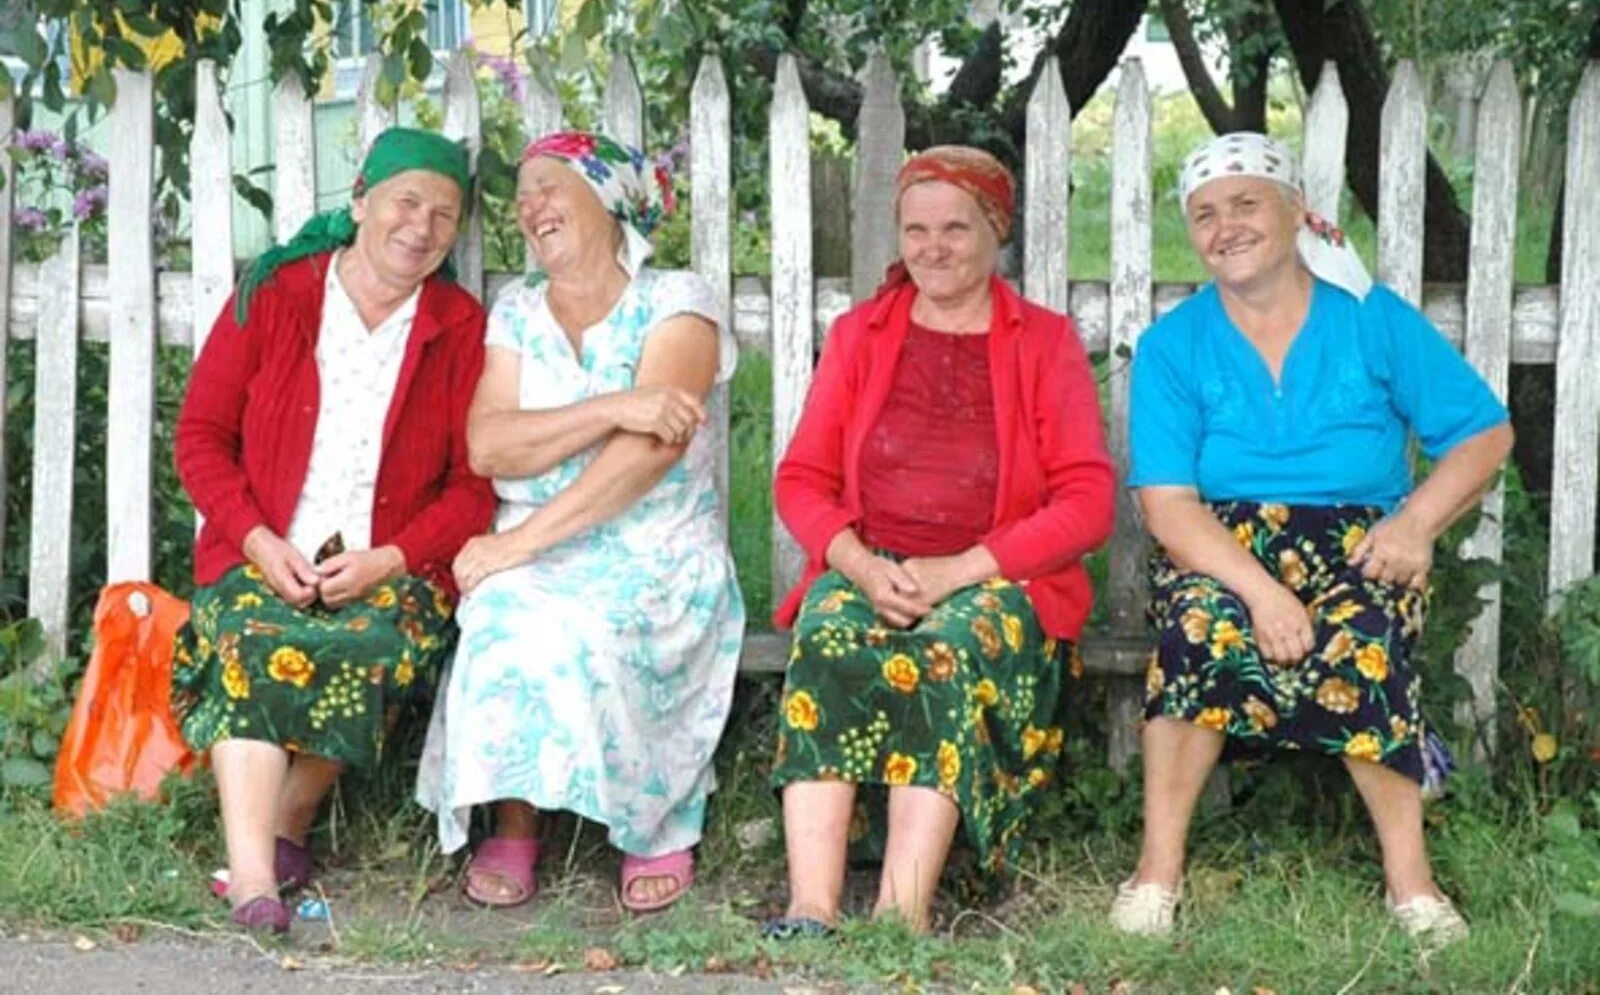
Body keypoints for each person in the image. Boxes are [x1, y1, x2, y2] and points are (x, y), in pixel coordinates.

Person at [1112, 131, 1512, 947]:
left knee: (1361, 636)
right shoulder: (1172, 345)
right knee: (1195, 631)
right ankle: (1156, 875)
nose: (1226, 227)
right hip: (1220, 548)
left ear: (1296, 211)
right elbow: (1167, 505)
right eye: (1205, 215)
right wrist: (1261, 591)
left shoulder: (1371, 320)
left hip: (1362, 541)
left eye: (1246, 204)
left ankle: (1413, 885)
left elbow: (1483, 433)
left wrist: (1416, 522)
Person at [764, 146, 1116, 936]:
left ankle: (901, 913)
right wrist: (857, 562)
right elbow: (801, 480)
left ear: (997, 231)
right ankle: (811, 906)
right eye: (916, 229)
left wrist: (961, 569)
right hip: (872, 562)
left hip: (998, 578)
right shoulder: (862, 335)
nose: (933, 247)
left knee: (946, 650)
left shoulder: (1044, 341)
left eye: (956, 227)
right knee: (825, 635)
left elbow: (1089, 501)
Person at [172, 127, 496, 934]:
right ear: (361, 201)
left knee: (369, 645)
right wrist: (255, 538)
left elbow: (472, 487)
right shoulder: (276, 296)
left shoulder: (459, 326)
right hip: (265, 550)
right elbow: (200, 438)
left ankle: (287, 822)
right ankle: (256, 882)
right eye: (405, 202)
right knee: (251, 637)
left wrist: (392, 558)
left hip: (392, 565)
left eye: (444, 216)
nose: (420, 227)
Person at [414, 130, 745, 914]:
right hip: (534, 542)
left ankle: (654, 817)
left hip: (655, 545)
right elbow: (490, 443)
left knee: (597, 617)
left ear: (610, 198)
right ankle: (515, 816)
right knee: (505, 609)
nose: (532, 208)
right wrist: (614, 403)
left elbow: (649, 453)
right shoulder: (518, 312)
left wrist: (518, 541)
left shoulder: (678, 302)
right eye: (523, 194)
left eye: (551, 186)